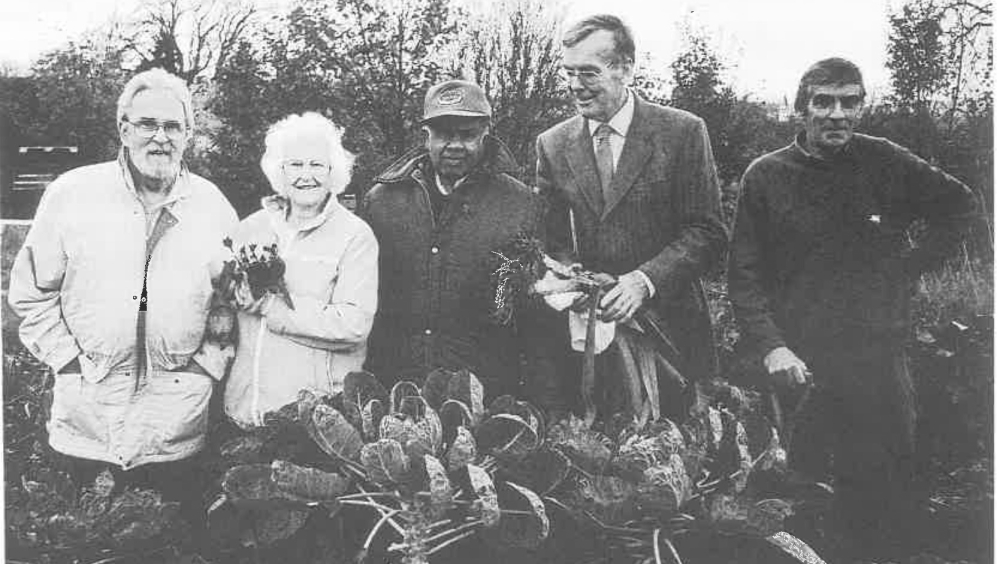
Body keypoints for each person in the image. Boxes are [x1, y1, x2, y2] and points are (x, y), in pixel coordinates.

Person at [727, 58, 979, 560]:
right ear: (802, 109)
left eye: (849, 101)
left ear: (862, 107)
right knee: (796, 501)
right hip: (799, 366)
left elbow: (961, 206)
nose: (836, 114)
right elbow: (744, 278)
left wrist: (907, 267)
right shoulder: (767, 175)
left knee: (885, 496)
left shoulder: (885, 160)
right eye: (823, 101)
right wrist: (773, 347)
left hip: (877, 358)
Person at [7, 68, 237, 509]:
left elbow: (230, 305)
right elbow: (30, 295)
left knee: (166, 544)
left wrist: (204, 370)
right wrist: (68, 361)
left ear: (189, 133)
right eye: (148, 124)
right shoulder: (72, 194)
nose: (160, 137)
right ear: (124, 129)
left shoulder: (214, 208)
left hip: (176, 424)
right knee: (85, 540)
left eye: (173, 126)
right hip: (85, 422)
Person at [535, 15, 727, 417]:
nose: (575, 86)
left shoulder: (682, 132)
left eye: (588, 72)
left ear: (625, 67)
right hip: (591, 335)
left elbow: (707, 232)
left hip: (671, 330)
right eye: (568, 73)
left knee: (677, 452)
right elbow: (553, 242)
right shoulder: (552, 144)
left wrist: (643, 282)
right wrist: (576, 281)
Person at [361, 79, 557, 407]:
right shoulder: (382, 201)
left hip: (484, 392)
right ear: (426, 137)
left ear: (485, 134)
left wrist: (540, 400)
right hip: (397, 388)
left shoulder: (521, 205)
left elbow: (534, 317)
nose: (454, 145)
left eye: (466, 135)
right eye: (443, 134)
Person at [223, 112, 378, 428]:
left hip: (312, 419)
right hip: (243, 413)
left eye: (316, 165)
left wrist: (272, 307)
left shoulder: (355, 235)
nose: (306, 175)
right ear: (279, 169)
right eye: (295, 164)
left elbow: (353, 325)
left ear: (333, 170)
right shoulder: (250, 228)